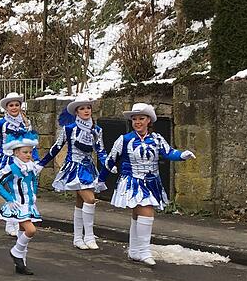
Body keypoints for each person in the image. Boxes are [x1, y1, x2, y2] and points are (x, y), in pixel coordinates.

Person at [99, 103, 195, 266]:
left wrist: (182, 155)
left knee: (138, 213)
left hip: (152, 182)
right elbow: (110, 160)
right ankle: (144, 251)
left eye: (141, 118)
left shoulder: (157, 139)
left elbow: (168, 152)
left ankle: (135, 250)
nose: (137, 122)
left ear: (149, 120)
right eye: (134, 119)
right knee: (146, 211)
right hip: (132, 181)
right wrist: (101, 180)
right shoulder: (124, 140)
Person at [37, 95, 107, 250]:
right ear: (76, 112)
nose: (86, 111)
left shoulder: (97, 130)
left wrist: (108, 164)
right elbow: (56, 147)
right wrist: (41, 164)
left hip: (89, 168)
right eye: (82, 108)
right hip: (74, 168)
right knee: (90, 199)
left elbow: (101, 150)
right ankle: (89, 235)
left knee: (81, 201)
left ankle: (77, 238)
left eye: (88, 107)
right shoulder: (69, 129)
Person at [0, 131, 42, 275]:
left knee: (22, 232)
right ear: (16, 152)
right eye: (25, 152)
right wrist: (9, 199)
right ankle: (16, 252)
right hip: (17, 204)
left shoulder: (31, 167)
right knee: (31, 230)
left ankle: (21, 265)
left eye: (30, 152)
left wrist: (34, 194)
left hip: (29, 204)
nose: (28, 155)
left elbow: (33, 181)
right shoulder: (12, 168)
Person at [0, 92, 36, 237]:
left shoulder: (26, 123)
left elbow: (30, 144)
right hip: (6, 159)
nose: (14, 108)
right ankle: (11, 221)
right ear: (6, 108)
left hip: (22, 159)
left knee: (19, 190)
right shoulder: (0, 124)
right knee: (10, 189)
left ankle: (17, 220)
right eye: (11, 105)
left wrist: (33, 159)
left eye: (17, 105)